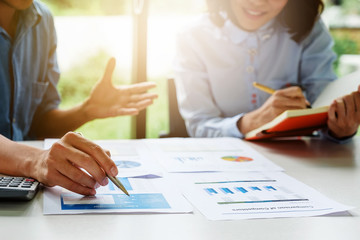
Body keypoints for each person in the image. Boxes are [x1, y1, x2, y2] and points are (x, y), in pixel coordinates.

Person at [0, 0, 158, 195]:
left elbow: (39, 123)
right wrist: (36, 160)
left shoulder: (42, 20)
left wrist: (86, 111)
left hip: (24, 188)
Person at [174, 0, 360, 141]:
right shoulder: (193, 37)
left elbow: (323, 110)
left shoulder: (308, 29)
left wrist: (340, 129)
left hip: (297, 164)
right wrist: (253, 121)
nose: (258, 2)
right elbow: (199, 127)